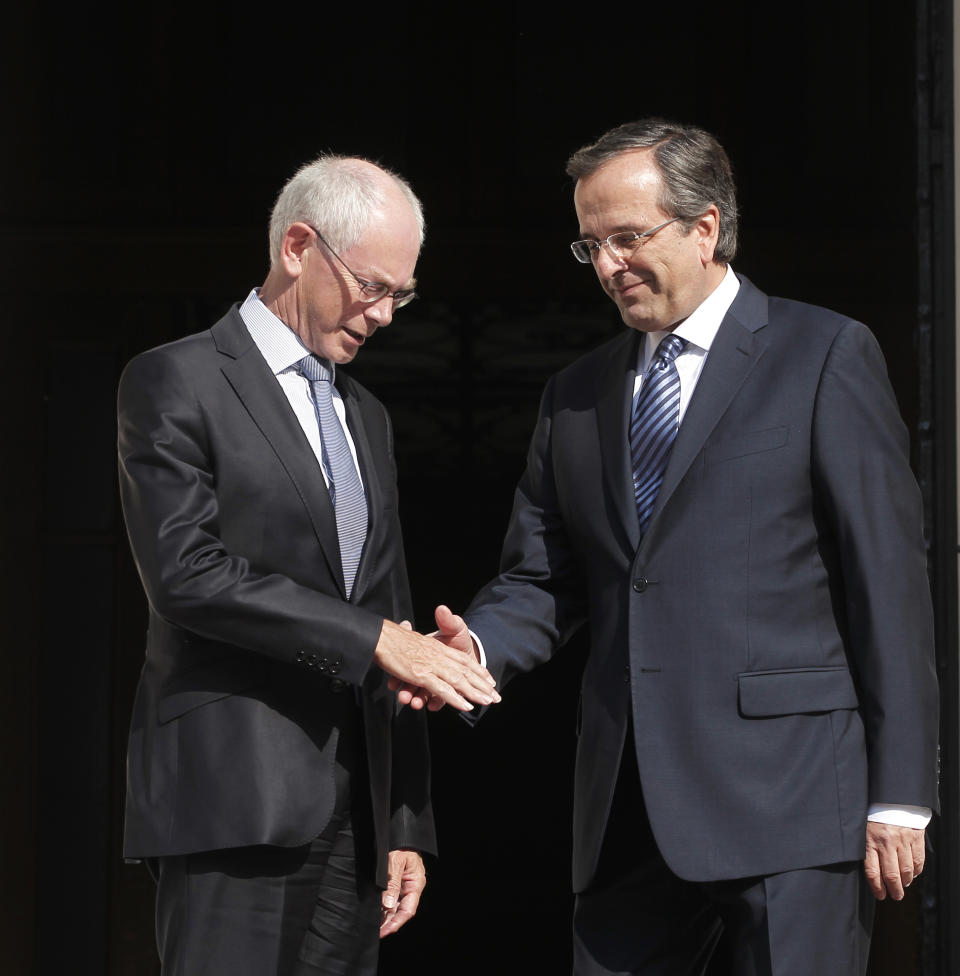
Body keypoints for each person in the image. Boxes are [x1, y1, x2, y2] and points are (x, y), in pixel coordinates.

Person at [424, 120, 940, 975]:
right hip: (628, 812)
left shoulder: (823, 355)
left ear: (705, 227)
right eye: (590, 245)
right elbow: (544, 575)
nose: (607, 265)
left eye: (628, 238)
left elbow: (887, 585)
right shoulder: (577, 394)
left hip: (794, 803)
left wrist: (900, 796)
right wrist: (474, 649)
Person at [117, 154, 499, 976]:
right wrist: (373, 642)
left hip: (356, 814)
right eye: (372, 286)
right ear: (298, 246)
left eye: (402, 294)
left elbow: (391, 614)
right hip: (234, 796)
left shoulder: (368, 416)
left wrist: (405, 820)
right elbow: (186, 573)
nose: (387, 314)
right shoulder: (175, 379)